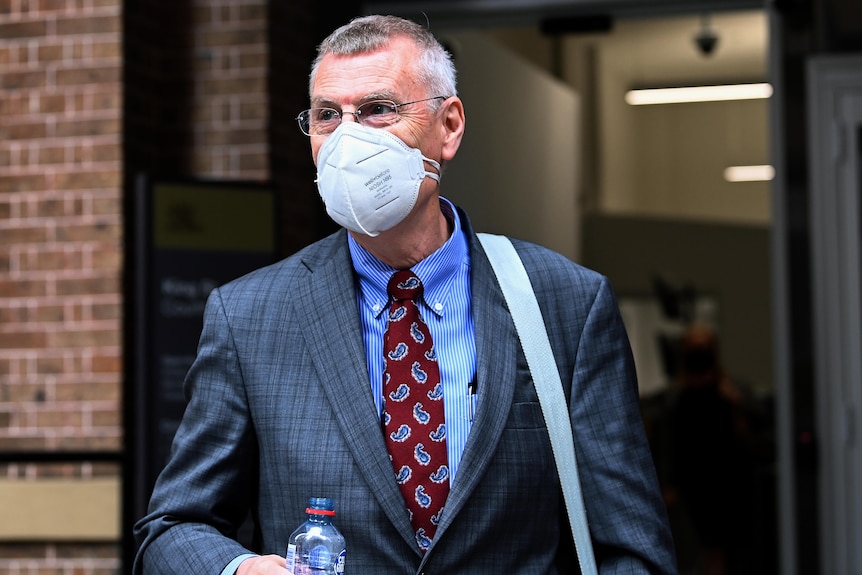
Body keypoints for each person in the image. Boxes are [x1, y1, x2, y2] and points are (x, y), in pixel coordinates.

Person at [134, 14, 677, 575]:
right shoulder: (250, 316)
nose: (348, 138)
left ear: (449, 126)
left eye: (377, 109)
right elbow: (174, 529)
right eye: (327, 116)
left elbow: (631, 548)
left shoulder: (564, 303)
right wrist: (239, 571)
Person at [666, 324, 756, 575]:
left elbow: (749, 438)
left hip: (730, 485)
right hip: (693, 490)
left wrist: (735, 403)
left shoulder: (731, 392)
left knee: (731, 553)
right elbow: (672, 447)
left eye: (704, 349)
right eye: (694, 349)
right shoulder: (677, 399)